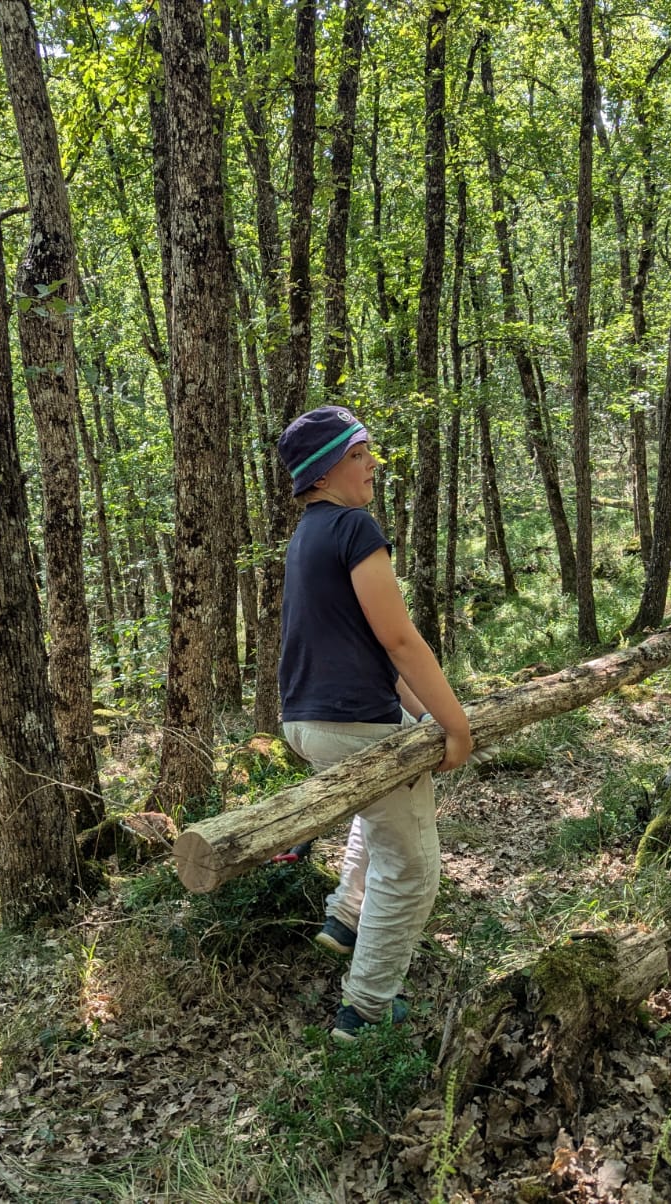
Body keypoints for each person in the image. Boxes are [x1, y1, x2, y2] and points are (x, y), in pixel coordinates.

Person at [276, 405, 473, 1042]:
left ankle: (345, 920)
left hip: (307, 721)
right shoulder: (356, 528)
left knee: (378, 813)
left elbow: (365, 653)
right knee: (412, 866)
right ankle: (365, 1010)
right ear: (328, 466)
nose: (372, 467)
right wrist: (458, 726)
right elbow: (398, 640)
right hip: (351, 723)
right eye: (362, 455)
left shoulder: (307, 537)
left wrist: (427, 719)